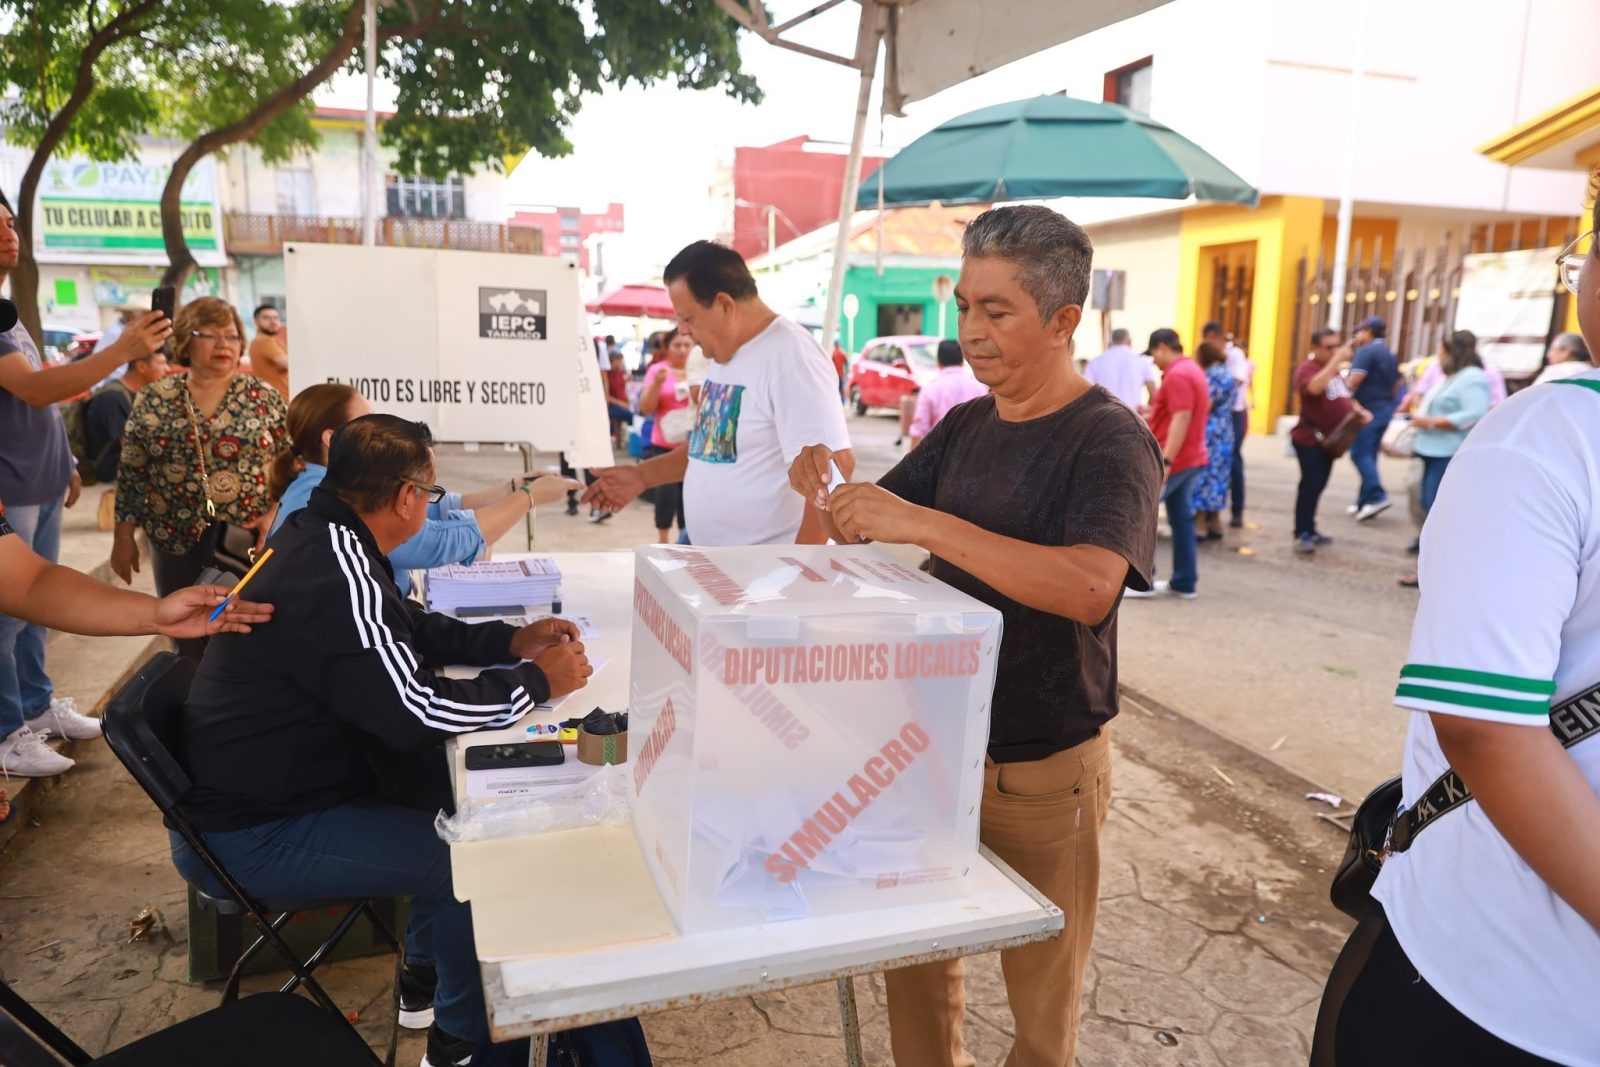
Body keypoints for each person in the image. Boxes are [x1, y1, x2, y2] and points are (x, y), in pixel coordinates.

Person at [788, 204, 1162, 1067]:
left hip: (1040, 768)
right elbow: (868, 520)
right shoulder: (966, 423)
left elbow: (1089, 584)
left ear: (1065, 320)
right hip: (928, 748)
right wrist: (831, 483)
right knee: (916, 969)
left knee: (1041, 1004)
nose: (973, 332)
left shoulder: (1108, 440)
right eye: (965, 306)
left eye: (998, 311)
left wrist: (924, 523)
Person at [170, 414, 594, 1067]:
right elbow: (415, 710)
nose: (430, 501)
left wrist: (506, 642)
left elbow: (400, 626)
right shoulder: (330, 563)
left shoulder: (325, 531)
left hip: (279, 787)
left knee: (454, 794)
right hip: (253, 830)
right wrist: (534, 681)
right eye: (429, 490)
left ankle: (422, 983)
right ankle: (459, 1045)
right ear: (404, 497)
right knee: (471, 855)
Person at [1310, 171, 1600, 1067]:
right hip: (1502, 975)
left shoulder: (1543, 435)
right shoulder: (1542, 437)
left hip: (1493, 999)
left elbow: (1485, 729)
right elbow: (1484, 726)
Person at [0, 196, 173, 775]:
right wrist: (120, 351)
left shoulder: (9, 312)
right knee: (8, 614)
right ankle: (7, 731)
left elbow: (39, 397)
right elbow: (36, 390)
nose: (8, 233)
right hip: (12, 488)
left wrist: (67, 460)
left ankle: (36, 706)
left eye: (10, 222)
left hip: (42, 481)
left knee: (32, 610)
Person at [583, 241, 853, 546]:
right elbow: (709, 448)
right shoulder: (724, 354)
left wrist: (803, 568)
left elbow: (835, 467)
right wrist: (642, 476)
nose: (682, 331)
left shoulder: (792, 355)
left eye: (688, 318)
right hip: (712, 557)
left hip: (766, 570)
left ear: (725, 305)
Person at [267, 384, 575, 593]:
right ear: (332, 439)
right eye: (366, 423)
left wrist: (513, 489)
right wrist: (529, 498)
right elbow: (434, 542)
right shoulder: (324, 495)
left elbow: (437, 507)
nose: (378, 431)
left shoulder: (324, 481)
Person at [110, 298, 287, 657]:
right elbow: (132, 469)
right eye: (210, 335)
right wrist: (123, 536)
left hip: (247, 540)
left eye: (233, 336)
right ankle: (192, 702)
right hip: (172, 537)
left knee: (247, 631)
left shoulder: (264, 397)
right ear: (186, 341)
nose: (224, 344)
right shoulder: (155, 397)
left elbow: (291, 464)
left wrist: (274, 516)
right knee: (185, 634)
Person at [1396, 330, 1491, 589]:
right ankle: (1432, 567)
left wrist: (1434, 421)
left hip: (1447, 452)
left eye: (1441, 351)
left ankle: (1438, 570)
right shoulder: (1453, 376)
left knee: (1437, 511)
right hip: (1431, 449)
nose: (1438, 356)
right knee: (1426, 505)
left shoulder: (1472, 378)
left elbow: (1474, 413)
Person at [1125, 328, 1208, 600]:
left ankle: (1144, 580)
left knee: (1142, 515)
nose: (1154, 361)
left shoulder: (1178, 376)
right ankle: (1185, 581)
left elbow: (1181, 417)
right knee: (1181, 519)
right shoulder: (1192, 370)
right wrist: (1150, 413)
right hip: (1192, 455)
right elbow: (1179, 414)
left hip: (1176, 458)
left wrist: (1167, 460)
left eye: (1154, 355)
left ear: (1162, 347)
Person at [1289, 329, 1367, 555]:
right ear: (1315, 348)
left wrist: (1360, 410)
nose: (1335, 350)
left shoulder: (1334, 372)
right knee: (1310, 485)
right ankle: (1302, 532)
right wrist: (1336, 360)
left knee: (1317, 486)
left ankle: (1310, 528)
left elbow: (1344, 397)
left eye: (1337, 346)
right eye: (1329, 347)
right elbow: (1313, 388)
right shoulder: (1309, 368)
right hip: (1310, 439)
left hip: (1330, 441)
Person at [637, 329, 694, 543]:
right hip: (663, 442)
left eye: (687, 345)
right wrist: (658, 384)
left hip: (691, 445)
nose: (682, 350)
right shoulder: (657, 371)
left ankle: (684, 541)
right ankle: (663, 540)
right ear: (667, 348)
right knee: (665, 495)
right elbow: (646, 408)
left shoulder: (700, 369)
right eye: (677, 345)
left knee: (688, 498)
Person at [83, 345, 169, 485]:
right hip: (109, 472)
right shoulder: (112, 398)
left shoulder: (143, 395)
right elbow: (131, 446)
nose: (167, 369)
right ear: (141, 366)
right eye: (161, 364)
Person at [1345, 316, 1401, 521]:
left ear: (1368, 331)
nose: (1358, 335)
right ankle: (1364, 501)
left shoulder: (1366, 351)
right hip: (1385, 407)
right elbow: (1397, 383)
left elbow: (1353, 381)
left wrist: (1344, 396)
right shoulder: (1388, 353)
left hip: (1368, 410)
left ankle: (1377, 495)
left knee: (1359, 454)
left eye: (1360, 331)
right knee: (1369, 454)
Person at [1202, 322, 1254, 528]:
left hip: (1231, 414)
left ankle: (1237, 510)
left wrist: (1213, 388)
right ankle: (1212, 517)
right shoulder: (1216, 362)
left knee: (1231, 462)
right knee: (1213, 465)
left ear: (1213, 336)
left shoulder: (1233, 355)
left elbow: (1237, 380)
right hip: (1219, 416)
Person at [1190, 341, 1237, 541]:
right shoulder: (1226, 373)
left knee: (1205, 476)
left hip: (1210, 431)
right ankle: (1215, 522)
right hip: (1225, 429)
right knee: (1220, 477)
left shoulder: (1211, 375)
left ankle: (1200, 522)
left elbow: (1205, 405)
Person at [908, 339, 987, 447]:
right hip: (972, 454)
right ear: (961, 360)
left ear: (938, 361)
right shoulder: (979, 388)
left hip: (939, 455)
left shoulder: (930, 389)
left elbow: (919, 430)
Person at [1083, 327, 1157, 412]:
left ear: (1110, 342)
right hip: (1133, 415)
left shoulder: (1095, 362)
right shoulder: (1142, 361)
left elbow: (1086, 392)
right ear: (1130, 341)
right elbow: (1153, 393)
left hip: (1105, 415)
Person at [247, 304, 289, 397]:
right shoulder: (263, 341)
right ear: (255, 322)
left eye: (275, 318)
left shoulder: (275, 341)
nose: (273, 322)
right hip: (276, 401)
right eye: (266, 318)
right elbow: (290, 364)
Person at [604, 350, 634, 447]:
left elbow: (622, 388)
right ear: (613, 361)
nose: (621, 363)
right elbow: (607, 396)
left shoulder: (620, 373)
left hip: (621, 404)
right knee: (630, 416)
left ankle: (624, 440)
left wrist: (628, 401)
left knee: (631, 414)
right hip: (612, 406)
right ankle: (628, 439)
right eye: (619, 361)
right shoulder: (606, 375)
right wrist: (622, 403)